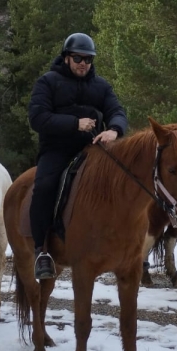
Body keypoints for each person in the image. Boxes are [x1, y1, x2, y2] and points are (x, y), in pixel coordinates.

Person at [27, 33, 128, 279]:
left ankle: (127, 241)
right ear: (66, 57)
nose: (83, 63)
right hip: (57, 148)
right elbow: (37, 118)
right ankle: (42, 250)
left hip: (94, 148)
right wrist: (74, 123)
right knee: (44, 185)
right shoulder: (48, 82)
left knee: (125, 180)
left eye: (88, 59)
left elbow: (117, 110)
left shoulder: (101, 85)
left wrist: (114, 130)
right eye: (78, 58)